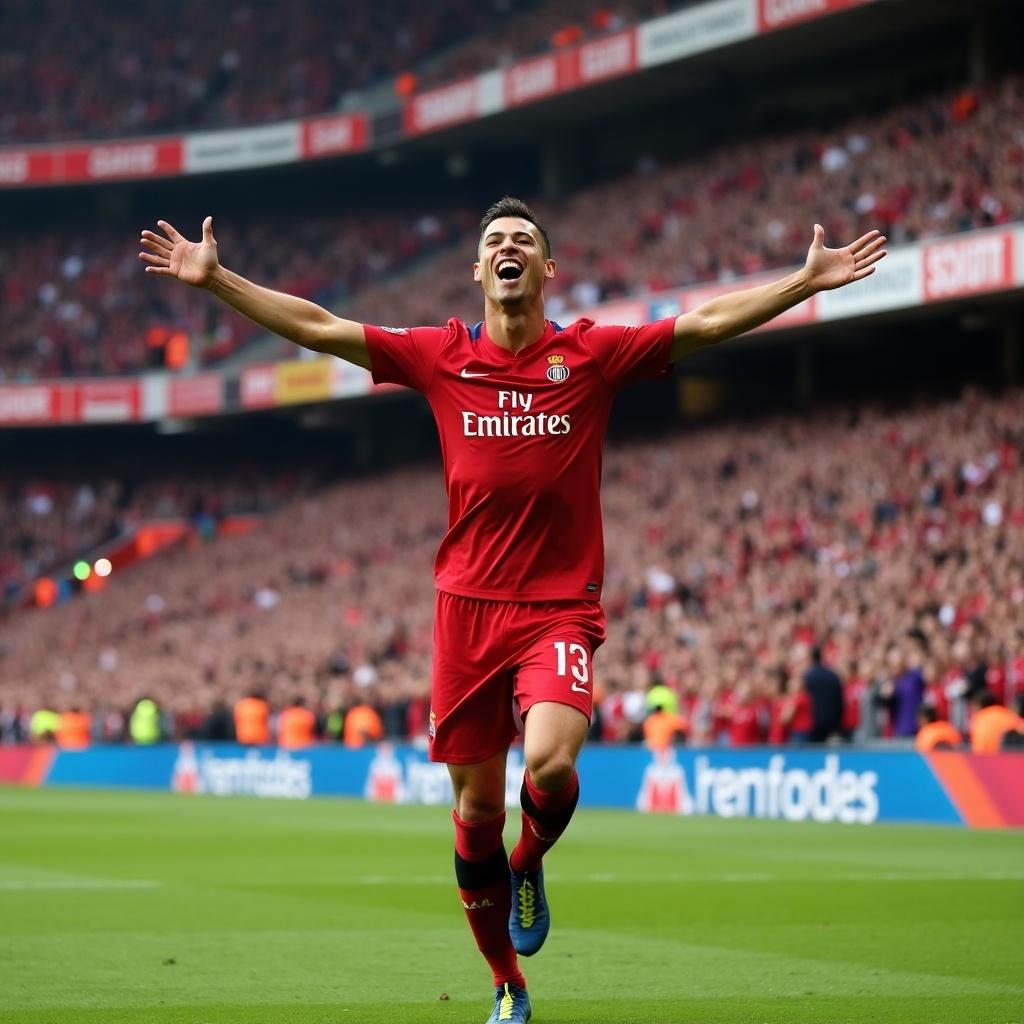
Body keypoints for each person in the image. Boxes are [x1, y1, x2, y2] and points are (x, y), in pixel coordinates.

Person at [139, 197, 886, 1024]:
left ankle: (529, 862)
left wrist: (801, 283)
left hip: (557, 607)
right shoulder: (438, 355)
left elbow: (703, 324)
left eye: (524, 240)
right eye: (495, 240)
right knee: (474, 811)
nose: (508, 248)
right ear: (477, 271)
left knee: (552, 764)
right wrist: (218, 283)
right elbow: (321, 327)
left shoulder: (591, 355)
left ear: (546, 269)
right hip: (464, 612)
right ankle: (506, 983)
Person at [801, 645, 844, 743]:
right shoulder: (833, 675)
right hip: (832, 720)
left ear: (810, 658)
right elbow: (840, 701)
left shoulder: (807, 676)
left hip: (813, 721)